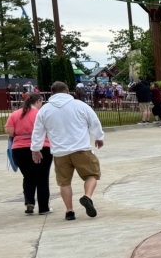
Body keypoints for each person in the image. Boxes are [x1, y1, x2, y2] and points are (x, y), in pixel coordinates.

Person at [31, 81, 105, 221]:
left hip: (60, 152)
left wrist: (36, 149)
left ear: (52, 93)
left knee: (64, 183)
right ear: (67, 91)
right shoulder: (80, 105)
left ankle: (69, 211)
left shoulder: (45, 110)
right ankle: (87, 196)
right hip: (81, 149)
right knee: (92, 174)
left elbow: (38, 131)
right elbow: (94, 121)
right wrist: (99, 137)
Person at [5, 92, 52, 215]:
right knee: (42, 178)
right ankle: (43, 207)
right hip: (42, 147)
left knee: (28, 177)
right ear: (38, 102)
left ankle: (29, 202)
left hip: (19, 149)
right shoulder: (41, 114)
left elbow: (10, 132)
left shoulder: (15, 114)